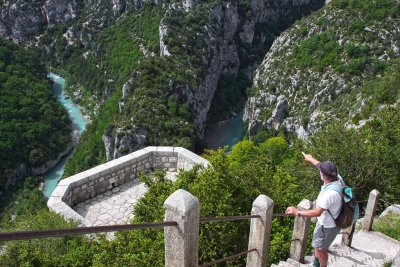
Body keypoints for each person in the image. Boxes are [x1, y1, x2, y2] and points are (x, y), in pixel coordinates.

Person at [285, 153, 343, 267]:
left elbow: (317, 212)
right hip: (328, 222)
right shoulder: (337, 178)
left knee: (321, 249)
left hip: (327, 226)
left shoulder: (330, 194)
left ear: (323, 175)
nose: (319, 171)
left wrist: (297, 212)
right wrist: (310, 159)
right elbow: (320, 165)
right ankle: (315, 264)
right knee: (318, 246)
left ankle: (322, 266)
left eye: (320, 171)